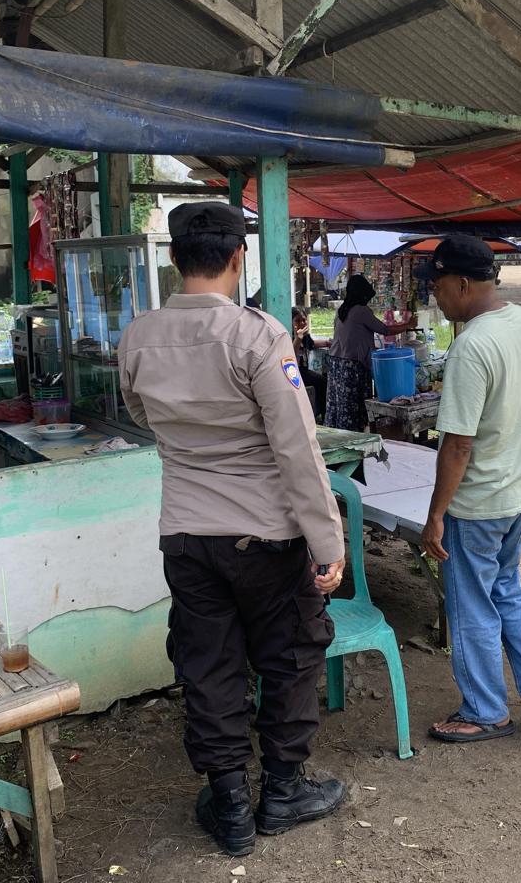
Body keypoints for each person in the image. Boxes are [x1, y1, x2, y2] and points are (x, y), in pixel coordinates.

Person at [118, 202, 347, 856]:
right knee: (290, 657)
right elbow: (296, 447)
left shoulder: (138, 337)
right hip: (265, 535)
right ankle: (282, 791)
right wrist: (327, 543)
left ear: (173, 258)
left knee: (208, 665)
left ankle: (230, 806)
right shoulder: (258, 336)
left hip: (187, 535)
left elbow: (140, 413)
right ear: (239, 257)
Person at [413, 234, 521, 743]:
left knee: (470, 604)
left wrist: (437, 514)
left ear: (461, 283)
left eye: (437, 286)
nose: (435, 296)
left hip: (478, 503)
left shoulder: (471, 346)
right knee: (506, 586)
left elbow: (458, 444)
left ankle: (485, 711)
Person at [324, 275, 413, 431]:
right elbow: (385, 330)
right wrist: (408, 325)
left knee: (339, 405)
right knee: (354, 407)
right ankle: (354, 437)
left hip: (336, 363)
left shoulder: (342, 310)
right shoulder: (361, 310)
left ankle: (339, 435)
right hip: (352, 366)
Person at [290, 307, 327, 421]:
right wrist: (298, 338)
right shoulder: (290, 336)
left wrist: (328, 342)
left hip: (304, 371)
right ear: (291, 322)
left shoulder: (305, 336)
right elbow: (291, 355)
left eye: (304, 320)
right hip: (295, 372)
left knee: (323, 379)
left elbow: (312, 344)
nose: (302, 323)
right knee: (322, 382)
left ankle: (319, 412)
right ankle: (321, 414)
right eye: (297, 321)